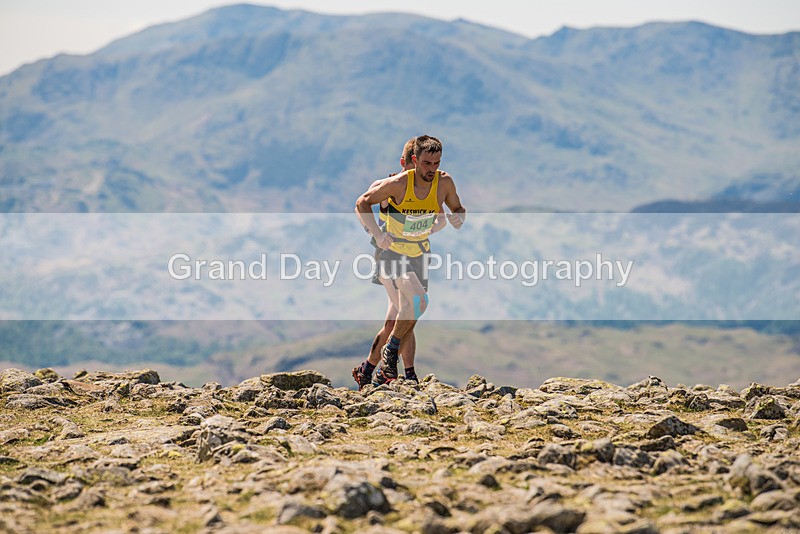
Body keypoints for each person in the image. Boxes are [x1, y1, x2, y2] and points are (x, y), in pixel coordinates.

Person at [352, 135, 466, 389]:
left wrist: (458, 218)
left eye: (437, 163)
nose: (432, 169)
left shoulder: (443, 182)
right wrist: (377, 234)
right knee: (417, 302)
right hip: (391, 255)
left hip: (419, 255)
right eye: (427, 163)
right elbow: (362, 204)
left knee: (405, 317)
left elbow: (455, 210)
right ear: (413, 161)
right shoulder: (394, 184)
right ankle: (397, 364)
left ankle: (372, 368)